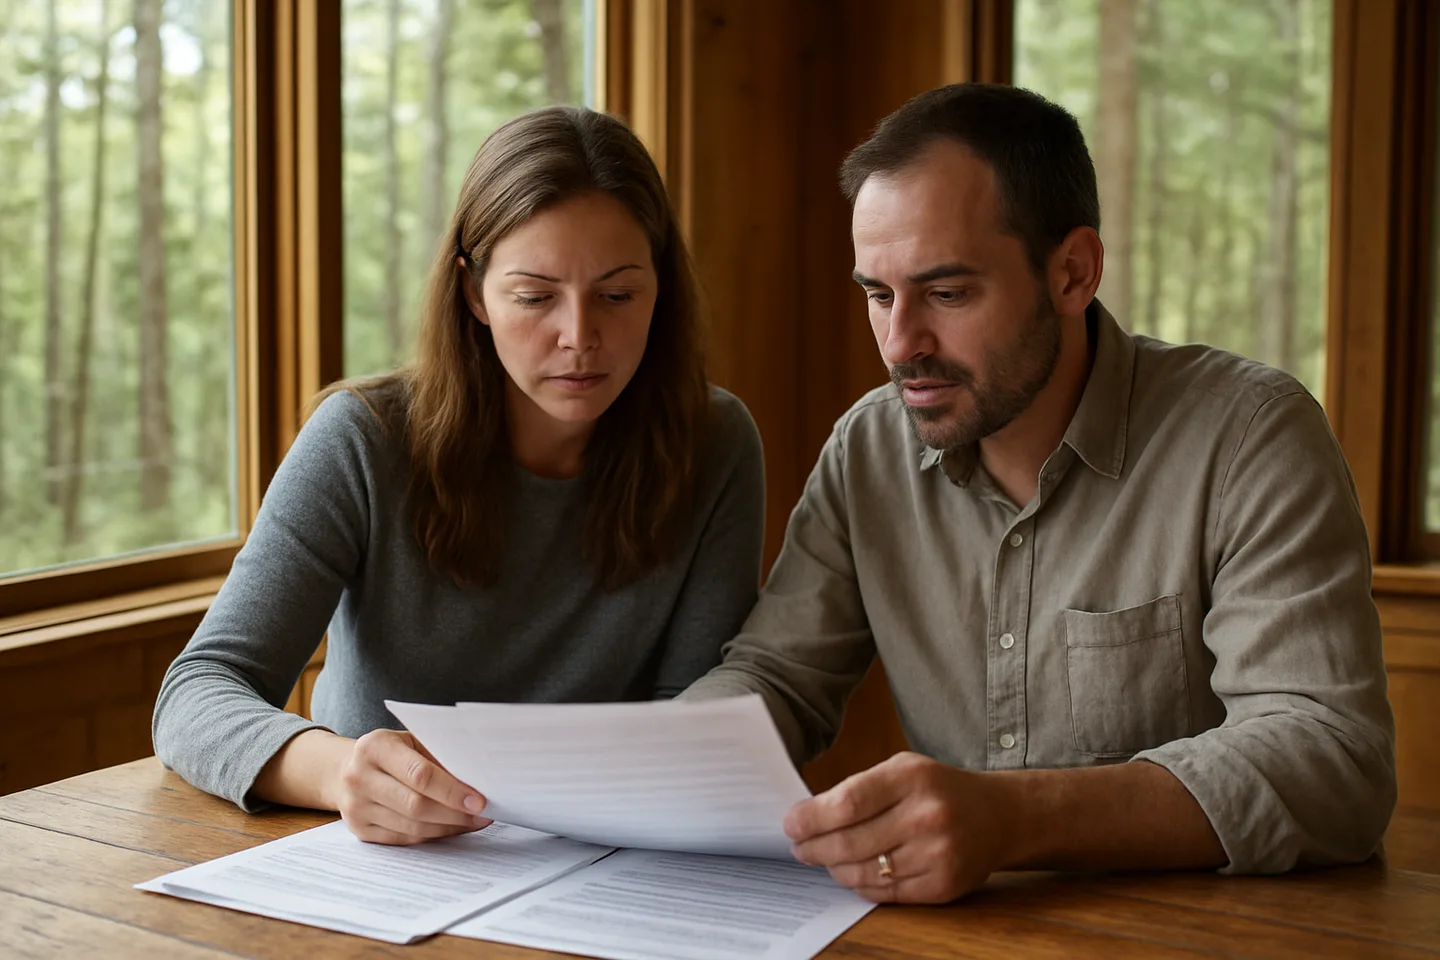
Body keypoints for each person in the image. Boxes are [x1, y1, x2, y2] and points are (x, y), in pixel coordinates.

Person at [681, 83, 1396, 902]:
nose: (899, 343)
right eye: (879, 295)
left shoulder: (1249, 437)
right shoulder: (869, 449)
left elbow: (1334, 758)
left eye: (946, 294)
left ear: (1073, 272)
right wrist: (626, 773)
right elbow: (775, 677)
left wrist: (1012, 819)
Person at [154, 106, 765, 845]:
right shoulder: (363, 439)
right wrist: (340, 771)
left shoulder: (715, 442)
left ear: (660, 287)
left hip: (609, 864)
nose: (580, 336)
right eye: (535, 296)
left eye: (618, 293)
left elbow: (692, 718)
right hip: (388, 864)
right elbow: (195, 694)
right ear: (473, 293)